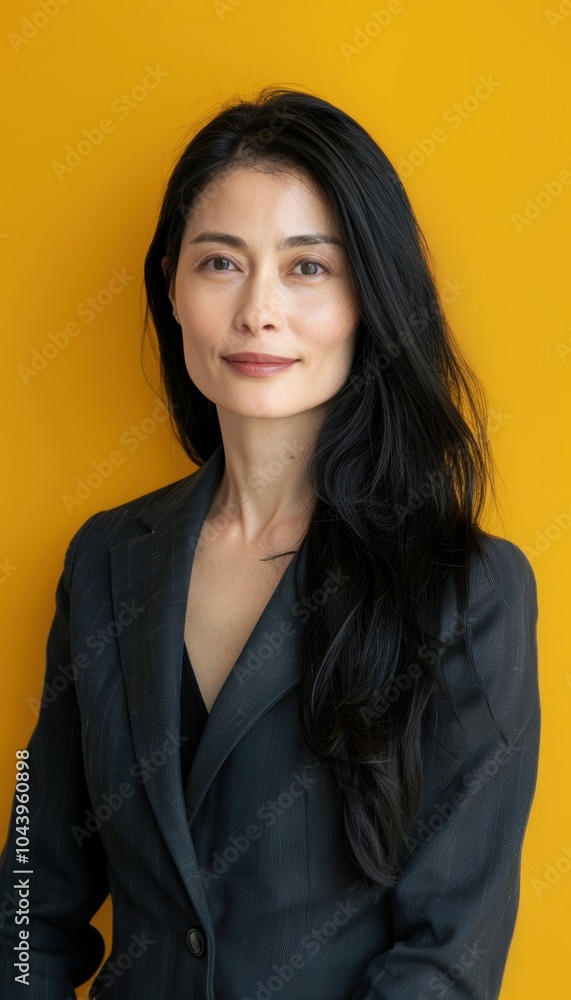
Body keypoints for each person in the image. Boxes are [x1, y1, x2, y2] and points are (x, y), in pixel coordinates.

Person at [0, 86, 540, 999]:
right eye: (220, 263)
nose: (257, 312)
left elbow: (446, 956)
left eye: (306, 268)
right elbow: (26, 892)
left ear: (368, 293)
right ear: (171, 284)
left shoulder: (467, 585)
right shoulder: (101, 560)